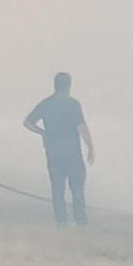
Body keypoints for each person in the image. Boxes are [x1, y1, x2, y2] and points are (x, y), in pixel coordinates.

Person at [23, 72, 95, 227]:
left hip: (53, 152)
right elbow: (82, 127)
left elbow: (27, 122)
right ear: (68, 86)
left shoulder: (46, 104)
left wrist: (43, 132)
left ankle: (61, 222)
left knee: (57, 189)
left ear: (55, 85)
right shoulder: (73, 104)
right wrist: (90, 147)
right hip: (72, 153)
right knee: (77, 188)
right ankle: (80, 220)